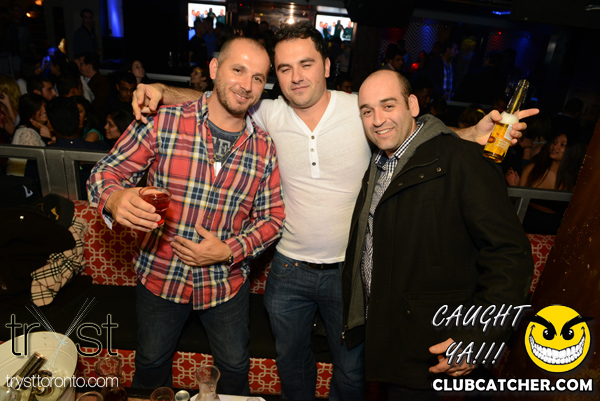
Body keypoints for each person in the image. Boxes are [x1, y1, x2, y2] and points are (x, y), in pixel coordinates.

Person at [131, 23, 536, 401]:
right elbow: (219, 98)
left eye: (306, 64)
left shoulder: (360, 110)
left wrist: (468, 134)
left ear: (326, 66)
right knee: (291, 362)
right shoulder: (267, 113)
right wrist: (160, 90)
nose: (296, 77)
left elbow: (408, 132)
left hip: (351, 273)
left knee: (351, 371)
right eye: (285, 68)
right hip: (288, 270)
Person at [88, 37, 285, 394]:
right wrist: (114, 198)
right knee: (151, 363)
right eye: (238, 70)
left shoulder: (264, 147)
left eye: (258, 77)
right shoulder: (164, 121)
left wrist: (229, 250)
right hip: (161, 275)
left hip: (225, 283)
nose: (247, 85)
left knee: (235, 367)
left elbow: (272, 218)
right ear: (214, 68)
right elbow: (106, 172)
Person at [342, 70, 533, 400]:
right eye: (367, 111)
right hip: (394, 343)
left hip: (440, 349)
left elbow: (510, 256)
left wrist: (479, 337)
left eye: (388, 105)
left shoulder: (464, 160)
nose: (377, 119)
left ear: (413, 105)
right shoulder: (380, 164)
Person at [505, 131, 586, 235]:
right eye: (554, 142)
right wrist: (514, 188)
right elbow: (515, 204)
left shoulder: (576, 180)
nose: (555, 147)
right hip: (524, 224)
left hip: (554, 231)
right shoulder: (532, 169)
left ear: (573, 150)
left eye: (562, 145)